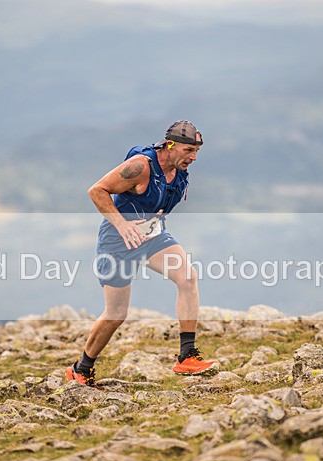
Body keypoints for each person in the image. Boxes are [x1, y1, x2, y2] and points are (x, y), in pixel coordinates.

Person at [66, 120, 216, 387]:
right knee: (116, 314)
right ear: (169, 145)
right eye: (188, 151)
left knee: (188, 278)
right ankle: (82, 367)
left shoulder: (177, 170)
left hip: (151, 237)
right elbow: (97, 190)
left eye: (196, 152)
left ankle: (186, 356)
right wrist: (122, 225)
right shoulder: (140, 166)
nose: (193, 158)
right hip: (117, 241)